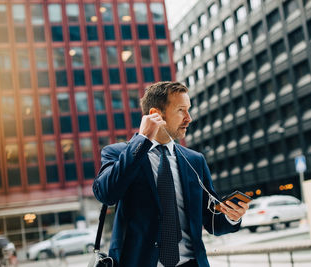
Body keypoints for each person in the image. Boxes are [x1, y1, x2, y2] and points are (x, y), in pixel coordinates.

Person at [93, 81, 249, 267]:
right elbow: (106, 194)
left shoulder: (195, 160)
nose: (189, 118)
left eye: (188, 110)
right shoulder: (118, 153)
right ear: (155, 114)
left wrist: (232, 216)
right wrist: (142, 140)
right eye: (181, 110)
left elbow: (212, 222)